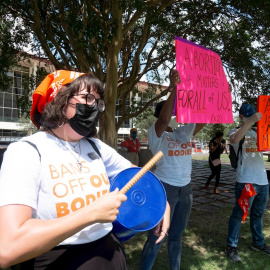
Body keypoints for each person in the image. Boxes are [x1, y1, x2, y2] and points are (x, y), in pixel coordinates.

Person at [0, 70, 169, 270]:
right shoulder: (27, 151)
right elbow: (7, 248)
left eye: (97, 101)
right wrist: (90, 214)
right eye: (87, 97)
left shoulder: (95, 146)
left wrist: (162, 203)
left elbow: (138, 175)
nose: (93, 107)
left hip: (111, 254)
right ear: (59, 99)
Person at [140, 69, 205, 270]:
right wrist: (175, 89)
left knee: (176, 236)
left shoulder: (181, 133)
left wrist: (214, 96)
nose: (174, 113)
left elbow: (203, 120)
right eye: (171, 109)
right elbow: (164, 121)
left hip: (185, 190)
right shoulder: (155, 133)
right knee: (156, 236)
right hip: (165, 188)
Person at [225, 103, 270, 262]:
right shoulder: (236, 132)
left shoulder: (259, 132)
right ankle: (232, 245)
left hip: (263, 180)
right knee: (239, 214)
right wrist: (250, 121)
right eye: (247, 115)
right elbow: (234, 139)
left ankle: (258, 242)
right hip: (246, 181)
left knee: (258, 214)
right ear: (242, 116)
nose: (251, 117)